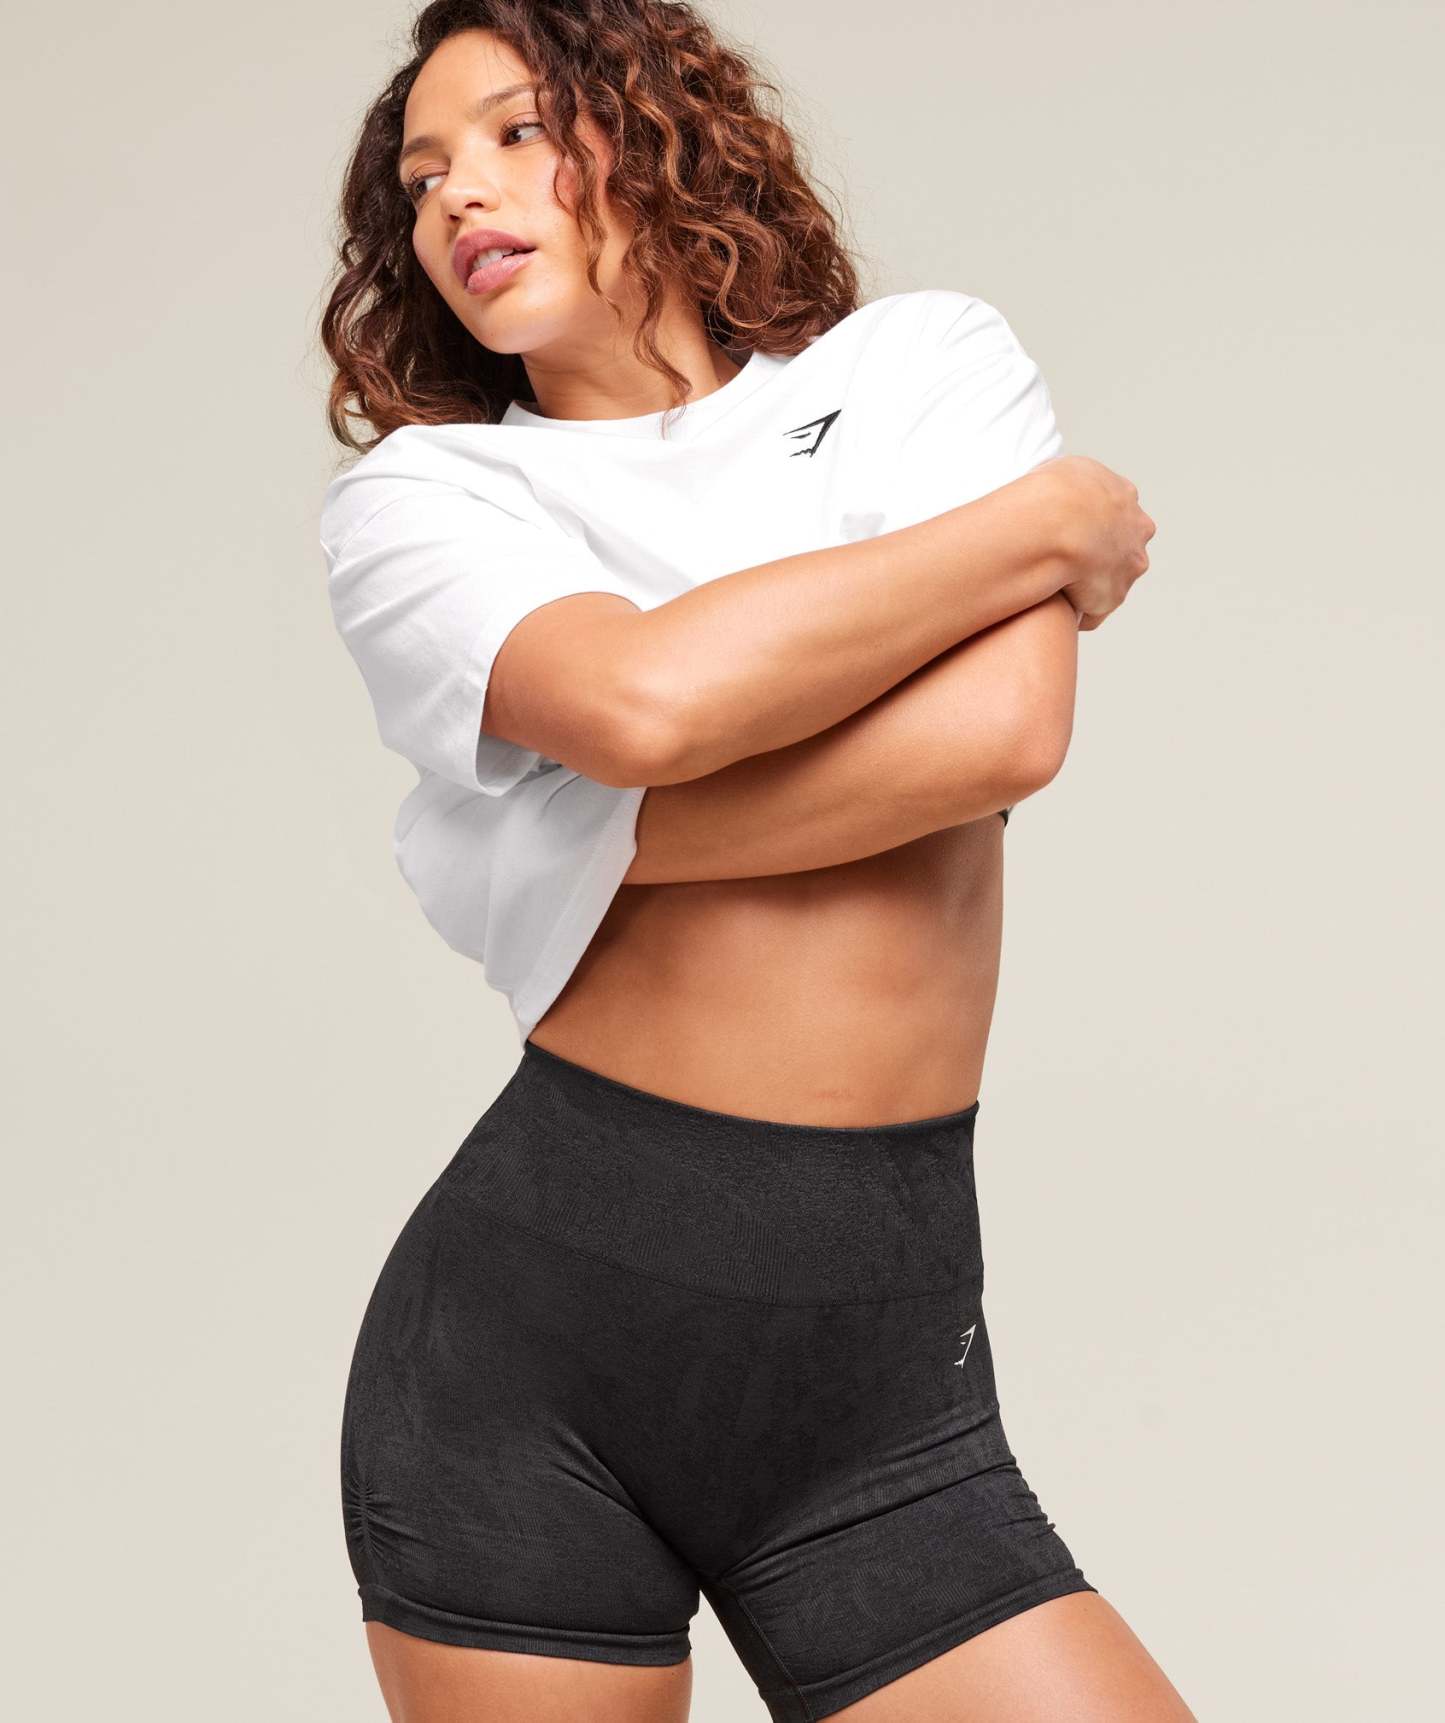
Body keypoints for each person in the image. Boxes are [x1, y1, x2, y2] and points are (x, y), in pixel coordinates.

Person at [318, 4, 1184, 1720]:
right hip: (528, 1360)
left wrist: (591, 841)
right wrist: (1037, 521)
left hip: (881, 1392)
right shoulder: (430, 501)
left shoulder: (919, 367)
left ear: (657, 131)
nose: (459, 196)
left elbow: (1000, 735)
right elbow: (643, 702)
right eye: (421, 179)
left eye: (515, 131)